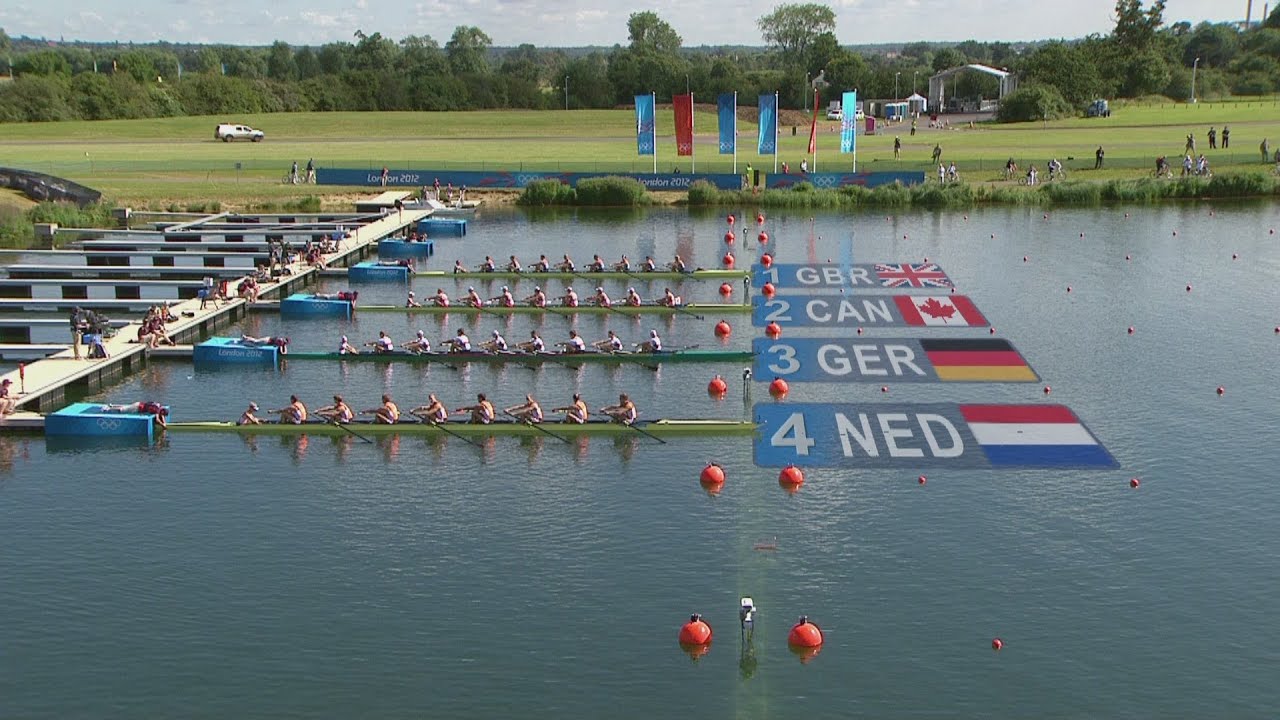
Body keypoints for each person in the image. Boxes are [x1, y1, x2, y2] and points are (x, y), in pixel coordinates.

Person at [101, 401, 168, 428]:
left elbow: (161, 415)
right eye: (163, 414)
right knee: (122, 410)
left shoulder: (159, 406)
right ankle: (108, 408)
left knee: (126, 408)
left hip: (139, 404)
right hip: (137, 408)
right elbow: (157, 419)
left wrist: (164, 422)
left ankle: (111, 406)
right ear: (162, 411)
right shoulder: (157, 410)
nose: (163, 416)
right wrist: (163, 425)